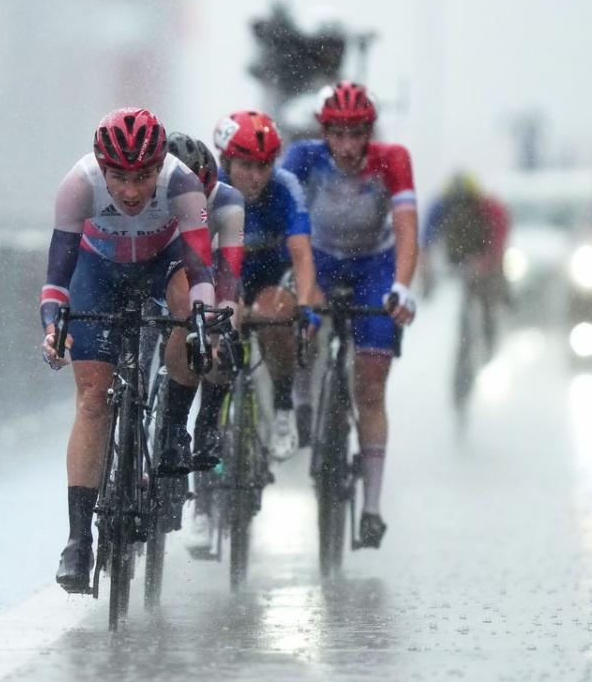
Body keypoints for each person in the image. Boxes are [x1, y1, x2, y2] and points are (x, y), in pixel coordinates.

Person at [40, 108, 216, 593]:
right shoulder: (78, 186)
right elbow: (57, 278)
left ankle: (174, 428)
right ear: (101, 166)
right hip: (97, 272)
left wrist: (201, 321)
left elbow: (201, 270)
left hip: (163, 266)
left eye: (143, 177)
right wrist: (53, 325)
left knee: (189, 309)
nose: (133, 192)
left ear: (161, 167)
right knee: (94, 398)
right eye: (119, 177)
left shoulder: (185, 187)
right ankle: (78, 541)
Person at [282, 81, 418, 548]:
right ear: (323, 133)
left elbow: (405, 231)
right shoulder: (303, 158)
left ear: (369, 133)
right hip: (317, 257)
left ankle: (373, 509)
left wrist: (401, 286)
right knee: (301, 324)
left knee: (372, 384)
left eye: (356, 134)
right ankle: (302, 403)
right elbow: (287, 220)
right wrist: (305, 289)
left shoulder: (392, 159)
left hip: (373, 266)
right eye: (336, 135)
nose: (345, 146)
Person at [200, 109, 319, 463]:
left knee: (276, 313)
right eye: (246, 166)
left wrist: (307, 307)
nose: (256, 176)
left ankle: (284, 408)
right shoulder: (210, 189)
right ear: (226, 160)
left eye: (264, 166)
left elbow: (301, 254)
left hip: (269, 278)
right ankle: (208, 423)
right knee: (220, 331)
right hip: (225, 276)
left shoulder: (285, 188)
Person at [165, 132, 246, 547]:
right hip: (162, 276)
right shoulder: (150, 192)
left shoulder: (228, 200)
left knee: (221, 331)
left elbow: (228, 273)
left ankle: (208, 422)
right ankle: (164, 430)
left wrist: (221, 321)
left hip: (207, 277)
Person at [420, 172, 511, 353]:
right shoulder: (439, 206)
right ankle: (461, 341)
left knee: (490, 295)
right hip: (456, 258)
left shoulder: (490, 208)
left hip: (484, 254)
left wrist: (487, 261)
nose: (461, 209)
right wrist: (426, 265)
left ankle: (489, 336)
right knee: (449, 294)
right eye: (455, 204)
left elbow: (500, 238)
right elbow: (426, 239)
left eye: (466, 203)